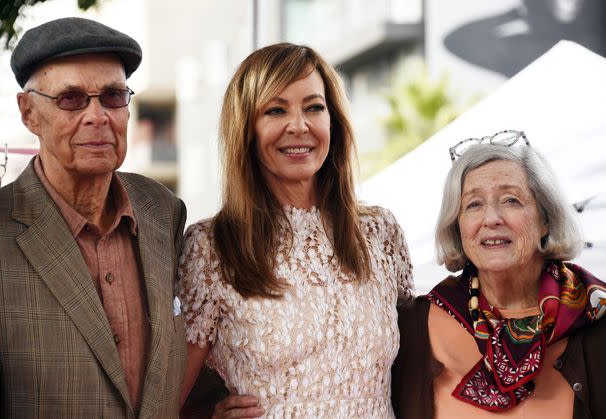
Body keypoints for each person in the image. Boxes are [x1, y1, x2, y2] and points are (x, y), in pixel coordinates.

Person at [176, 42, 415, 418]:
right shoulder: (212, 247)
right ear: (247, 129)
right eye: (276, 110)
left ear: (333, 120)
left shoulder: (380, 234)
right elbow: (166, 399)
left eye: (314, 107)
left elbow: (415, 367)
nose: (299, 126)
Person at [0, 17, 188, 418]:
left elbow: (177, 367)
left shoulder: (162, 210)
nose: (97, 116)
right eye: (71, 99)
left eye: (112, 96)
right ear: (28, 113)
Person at [392, 130, 606, 418]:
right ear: (458, 227)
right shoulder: (411, 327)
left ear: (545, 219)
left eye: (511, 200)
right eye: (474, 204)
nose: (491, 219)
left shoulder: (596, 320)